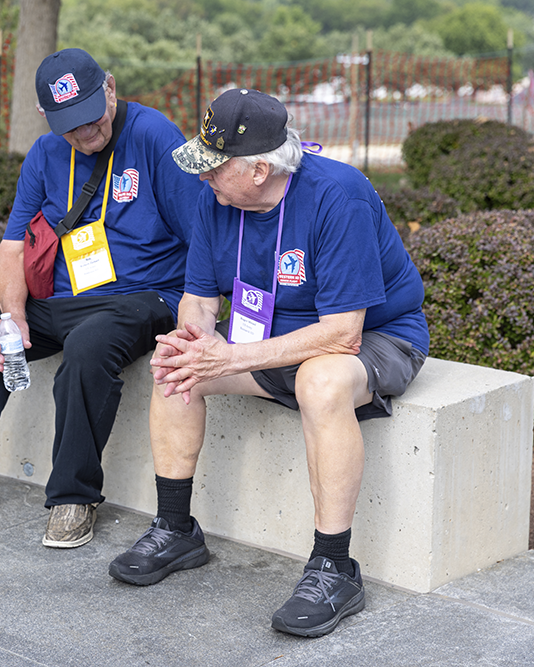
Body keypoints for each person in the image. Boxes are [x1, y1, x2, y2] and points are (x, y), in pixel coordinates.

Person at [108, 89, 429, 638]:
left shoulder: (338, 196)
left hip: (377, 338)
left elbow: (343, 333)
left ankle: (334, 567)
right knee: (176, 365)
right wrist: (196, 337)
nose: (202, 176)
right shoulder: (218, 200)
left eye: (215, 166)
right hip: (269, 340)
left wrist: (230, 355)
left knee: (321, 381)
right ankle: (176, 527)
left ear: (259, 168)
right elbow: (201, 297)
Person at [0, 48, 203, 549]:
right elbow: (13, 247)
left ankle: (72, 496)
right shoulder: (45, 154)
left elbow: (204, 238)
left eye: (89, 117)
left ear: (110, 87)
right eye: (69, 125)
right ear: (47, 118)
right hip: (65, 297)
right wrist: (11, 318)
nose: (84, 133)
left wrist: (198, 316)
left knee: (91, 342)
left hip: (146, 296)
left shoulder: (153, 137)